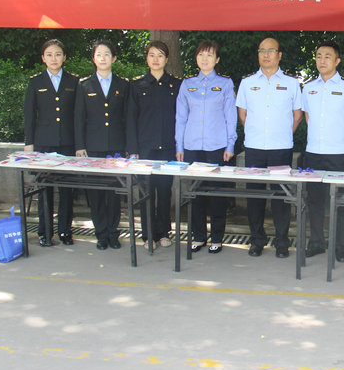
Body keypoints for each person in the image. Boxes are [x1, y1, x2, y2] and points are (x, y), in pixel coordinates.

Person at [235, 36, 303, 258]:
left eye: (270, 50)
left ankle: (282, 242)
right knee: (254, 196)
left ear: (279, 55)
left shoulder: (292, 83)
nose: (266, 55)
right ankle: (257, 240)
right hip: (254, 148)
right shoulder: (247, 83)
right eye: (262, 50)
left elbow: (297, 115)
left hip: (281, 148)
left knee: (281, 197)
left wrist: (282, 134)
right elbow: (243, 115)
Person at [302, 41, 344, 263]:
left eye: (327, 56)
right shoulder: (308, 88)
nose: (322, 60)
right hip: (313, 154)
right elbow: (308, 117)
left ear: (337, 61)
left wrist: (342, 143)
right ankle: (316, 243)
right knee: (314, 202)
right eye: (319, 56)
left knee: (341, 202)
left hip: (339, 156)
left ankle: (339, 246)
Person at [175, 40, 237, 254]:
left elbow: (230, 116)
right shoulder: (187, 84)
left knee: (218, 194)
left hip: (217, 147)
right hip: (192, 146)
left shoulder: (225, 84)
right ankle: (199, 236)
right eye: (201, 55)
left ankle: (217, 237)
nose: (205, 59)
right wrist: (179, 145)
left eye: (210, 55)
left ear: (217, 59)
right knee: (195, 194)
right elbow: (181, 117)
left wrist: (230, 144)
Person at [23, 38, 79, 247]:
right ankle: (45, 232)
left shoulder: (74, 82)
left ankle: (65, 231)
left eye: (57, 54)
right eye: (49, 55)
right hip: (43, 143)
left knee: (66, 190)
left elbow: (78, 115)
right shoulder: (35, 82)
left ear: (64, 57)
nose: (54, 58)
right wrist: (29, 143)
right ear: (43, 58)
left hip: (67, 143)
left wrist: (79, 145)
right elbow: (30, 115)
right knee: (43, 189)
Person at [74, 39, 129, 251]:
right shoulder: (84, 85)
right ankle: (101, 234)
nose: (103, 58)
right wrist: (80, 145)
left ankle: (113, 233)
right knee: (95, 194)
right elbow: (79, 118)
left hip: (116, 147)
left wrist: (127, 148)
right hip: (93, 147)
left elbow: (126, 118)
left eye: (107, 54)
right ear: (93, 59)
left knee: (114, 194)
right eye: (99, 54)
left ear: (113, 58)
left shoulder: (123, 84)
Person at [127, 40, 180, 249]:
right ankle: (148, 235)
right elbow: (131, 120)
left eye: (160, 55)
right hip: (145, 149)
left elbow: (181, 118)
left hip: (167, 147)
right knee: (145, 193)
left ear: (167, 59)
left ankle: (164, 232)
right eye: (152, 55)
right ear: (147, 58)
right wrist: (133, 150)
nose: (156, 59)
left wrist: (179, 147)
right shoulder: (136, 85)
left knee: (165, 191)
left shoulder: (176, 85)